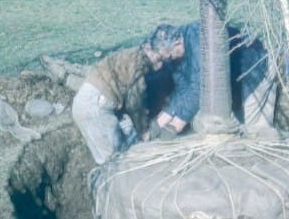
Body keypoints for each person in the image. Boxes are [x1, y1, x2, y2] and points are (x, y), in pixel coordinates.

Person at [148, 22, 277, 140]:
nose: (169, 60)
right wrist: (161, 121)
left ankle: (268, 155)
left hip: (255, 64)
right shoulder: (177, 52)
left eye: (170, 56)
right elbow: (182, 89)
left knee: (254, 128)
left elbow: (199, 88)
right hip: (233, 72)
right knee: (227, 124)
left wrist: (176, 125)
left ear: (177, 43)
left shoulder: (199, 43)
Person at [71, 33, 182, 164]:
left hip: (88, 102)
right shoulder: (137, 67)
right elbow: (134, 104)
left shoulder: (132, 55)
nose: (160, 64)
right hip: (95, 107)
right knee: (113, 161)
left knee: (106, 157)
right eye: (159, 59)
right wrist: (144, 131)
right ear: (147, 48)